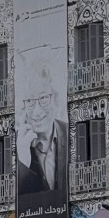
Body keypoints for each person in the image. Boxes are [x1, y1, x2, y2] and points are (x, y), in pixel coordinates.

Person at [16, 63, 68, 196]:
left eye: (43, 98)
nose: (37, 111)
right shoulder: (16, 143)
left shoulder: (70, 132)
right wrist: (22, 162)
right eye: (30, 101)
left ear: (55, 99)